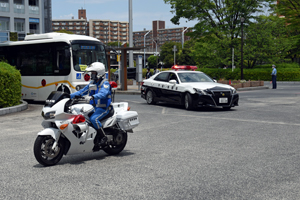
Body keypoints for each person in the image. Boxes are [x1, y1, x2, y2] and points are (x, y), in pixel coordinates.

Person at [70, 62, 111, 147]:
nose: (91, 75)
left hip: (103, 108)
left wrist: (92, 97)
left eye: (93, 73)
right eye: (91, 73)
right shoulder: (92, 83)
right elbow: (82, 91)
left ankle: (104, 137)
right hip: (93, 107)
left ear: (99, 73)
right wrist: (68, 96)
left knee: (93, 119)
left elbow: (103, 94)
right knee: (80, 115)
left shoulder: (105, 83)